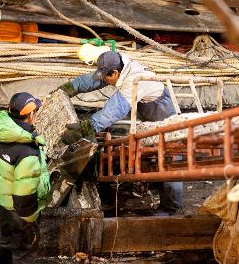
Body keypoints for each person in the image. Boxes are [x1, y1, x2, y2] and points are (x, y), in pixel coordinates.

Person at [55, 51, 183, 215]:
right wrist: (69, 88)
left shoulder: (134, 81)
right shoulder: (118, 64)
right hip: (150, 114)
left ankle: (172, 207)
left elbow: (112, 112)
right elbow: (94, 80)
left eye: (107, 77)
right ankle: (158, 184)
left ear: (115, 73)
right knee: (155, 152)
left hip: (162, 111)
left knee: (170, 155)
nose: (104, 81)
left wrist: (84, 129)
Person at [0, 92, 51, 264]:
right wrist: (31, 219)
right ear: (30, 116)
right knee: (24, 252)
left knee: (5, 238)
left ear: (9, 109)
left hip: (1, 200)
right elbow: (23, 199)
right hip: (20, 211)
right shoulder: (28, 152)